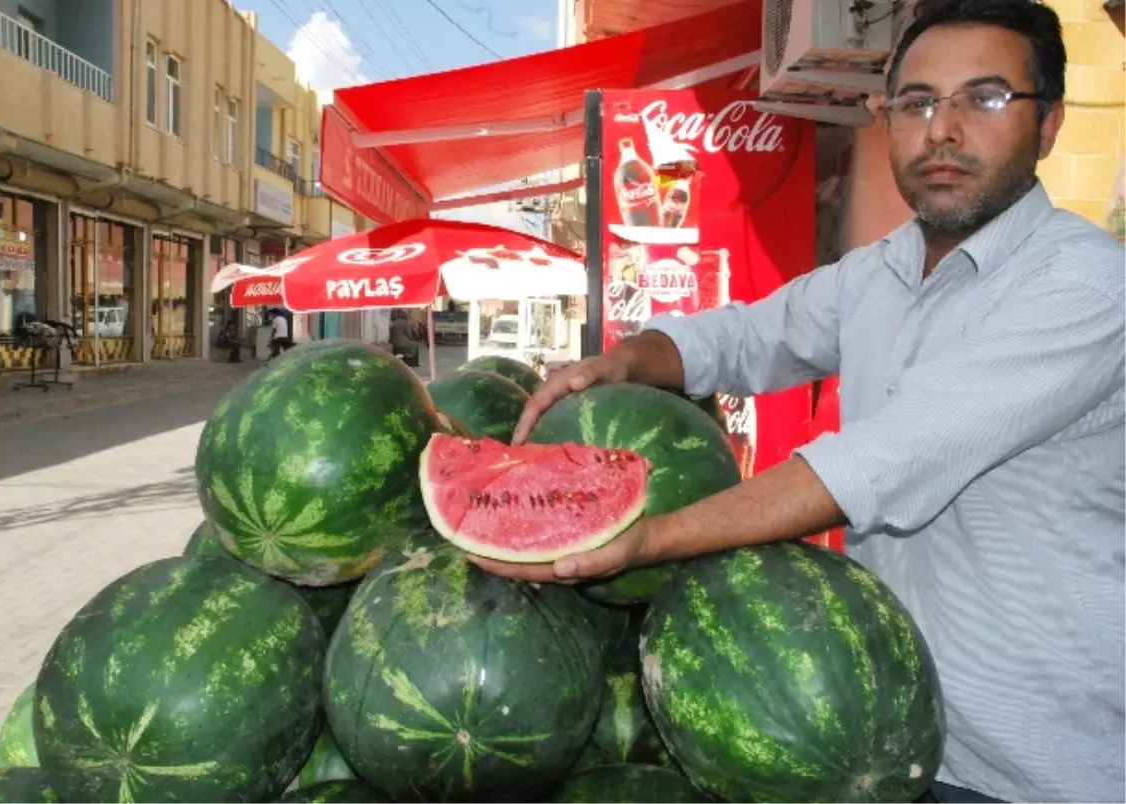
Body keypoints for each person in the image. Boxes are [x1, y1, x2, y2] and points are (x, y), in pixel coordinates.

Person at [476, 2, 1126, 802]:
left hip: (1034, 765)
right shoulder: (879, 271)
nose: (943, 130)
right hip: (872, 728)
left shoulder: (1087, 288)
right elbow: (748, 337)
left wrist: (641, 541)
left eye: (984, 99)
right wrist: (626, 359)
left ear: (1050, 123)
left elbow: (884, 461)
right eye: (917, 102)